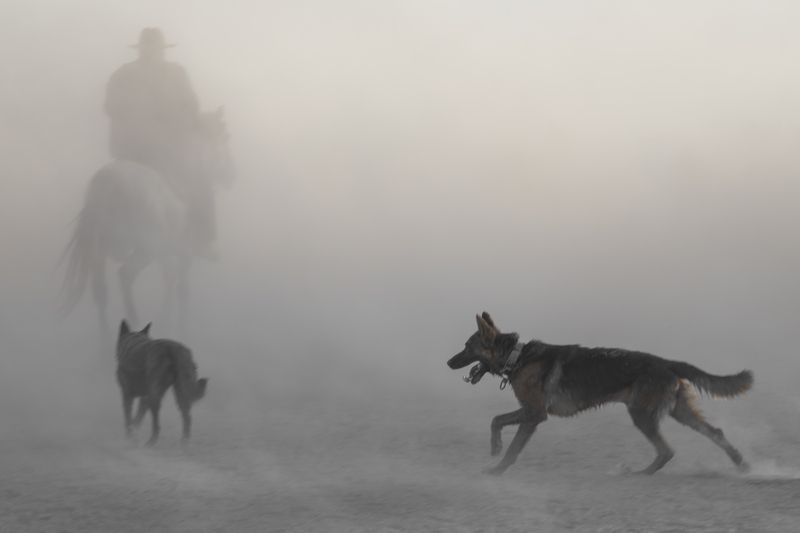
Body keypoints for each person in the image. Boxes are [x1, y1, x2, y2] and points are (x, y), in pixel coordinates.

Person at [105, 27, 216, 257]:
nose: (155, 53)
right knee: (202, 183)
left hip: (126, 150)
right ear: (160, 50)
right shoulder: (176, 73)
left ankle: (111, 240)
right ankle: (204, 242)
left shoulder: (121, 74)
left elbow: (109, 108)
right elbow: (192, 108)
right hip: (165, 149)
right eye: (155, 48)